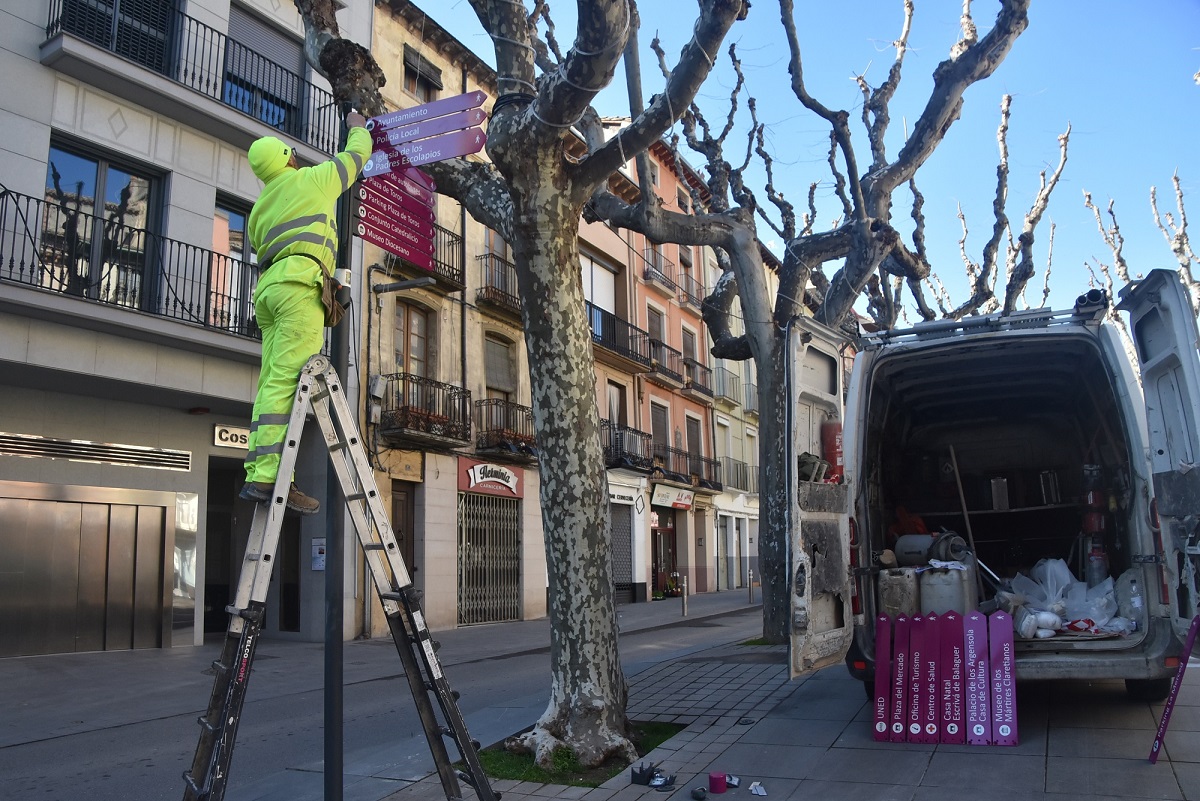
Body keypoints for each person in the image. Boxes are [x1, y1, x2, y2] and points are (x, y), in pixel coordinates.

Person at [240, 111, 372, 514]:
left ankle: (263, 471)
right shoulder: (311, 180)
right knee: (286, 381)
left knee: (270, 382)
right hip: (300, 289)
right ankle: (267, 479)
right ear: (288, 159)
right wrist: (358, 124)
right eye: (292, 155)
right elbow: (356, 156)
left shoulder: (257, 211)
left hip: (269, 293)